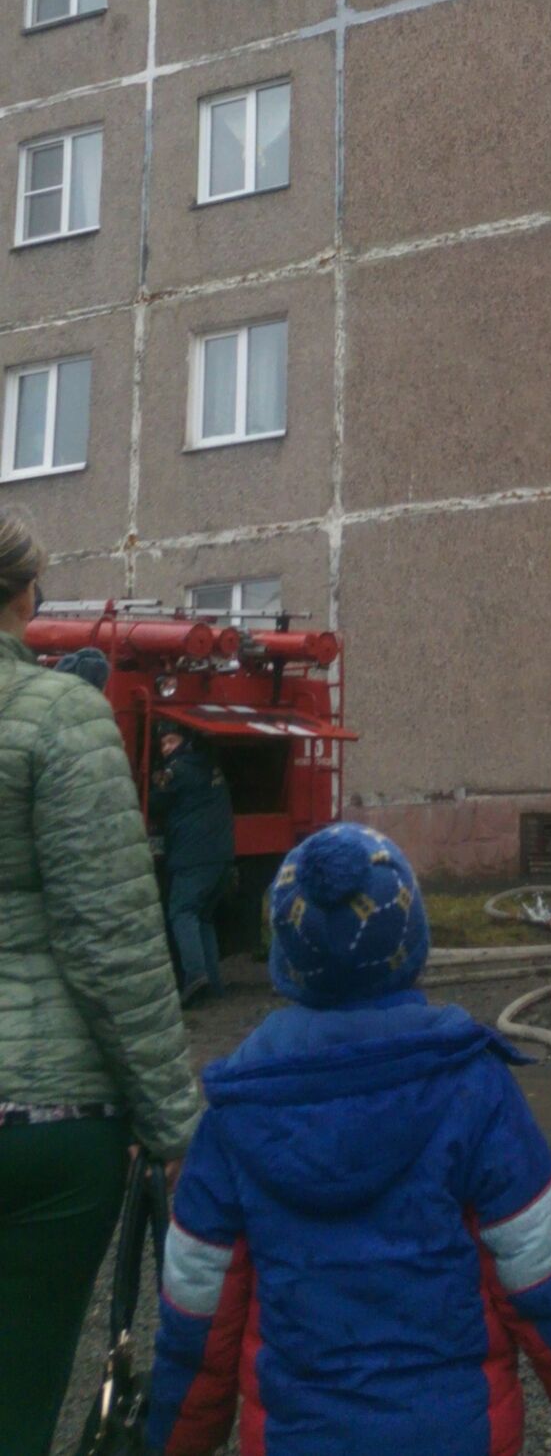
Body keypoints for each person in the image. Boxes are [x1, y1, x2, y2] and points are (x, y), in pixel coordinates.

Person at [147, 823, 551, 1456]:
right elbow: (543, 1265)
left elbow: (198, 1299)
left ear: (286, 963)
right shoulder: (472, 1086)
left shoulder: (237, 1109)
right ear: (411, 949)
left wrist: (177, 1432)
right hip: (456, 1432)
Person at [0, 512, 199, 1456]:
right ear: (23, 595)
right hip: (44, 1130)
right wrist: (174, 1129)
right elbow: (112, 940)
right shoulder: (60, 718)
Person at [149, 724, 236, 1005]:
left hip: (192, 858)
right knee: (204, 918)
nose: (166, 749)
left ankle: (195, 977)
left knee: (182, 913)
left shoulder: (178, 770)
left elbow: (154, 802)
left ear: (185, 742)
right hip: (221, 857)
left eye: (171, 741)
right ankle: (213, 984)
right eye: (162, 744)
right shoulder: (210, 765)